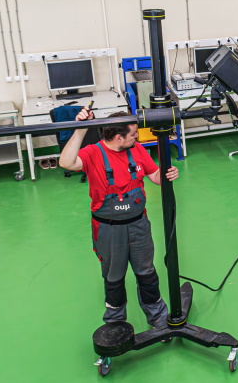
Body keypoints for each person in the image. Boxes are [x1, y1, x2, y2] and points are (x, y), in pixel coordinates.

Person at [59, 108, 179, 328]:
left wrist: (166, 174)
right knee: (113, 278)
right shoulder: (92, 153)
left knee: (147, 273)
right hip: (109, 229)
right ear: (118, 137)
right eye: (133, 133)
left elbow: (153, 175)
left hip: (138, 225)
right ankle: (115, 323)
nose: (137, 136)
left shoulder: (137, 149)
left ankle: (158, 317)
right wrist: (79, 130)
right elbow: (66, 163)